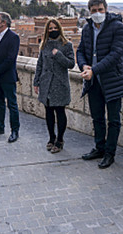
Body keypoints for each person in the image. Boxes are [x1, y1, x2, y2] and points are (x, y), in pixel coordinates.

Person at [77, 0, 123, 169]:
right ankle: (99, 148)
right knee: (97, 117)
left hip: (113, 80)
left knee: (113, 120)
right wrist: (84, 66)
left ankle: (109, 153)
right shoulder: (87, 29)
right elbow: (81, 51)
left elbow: (115, 55)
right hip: (93, 82)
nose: (97, 13)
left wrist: (93, 70)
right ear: (89, 12)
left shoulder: (118, 27)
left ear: (106, 9)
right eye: (94, 11)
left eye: (100, 10)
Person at [33, 19, 75, 153]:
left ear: (59, 29)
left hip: (60, 84)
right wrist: (36, 82)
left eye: (55, 28)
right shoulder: (44, 45)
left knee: (60, 112)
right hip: (46, 84)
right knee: (49, 112)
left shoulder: (67, 45)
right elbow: (40, 65)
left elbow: (71, 64)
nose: (52, 30)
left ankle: (60, 140)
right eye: (50, 29)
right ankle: (51, 138)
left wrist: (59, 55)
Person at [0, 12, 21, 143]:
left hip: (7, 77)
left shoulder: (13, 37)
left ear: (4, 23)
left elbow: (10, 59)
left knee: (12, 104)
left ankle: (14, 131)